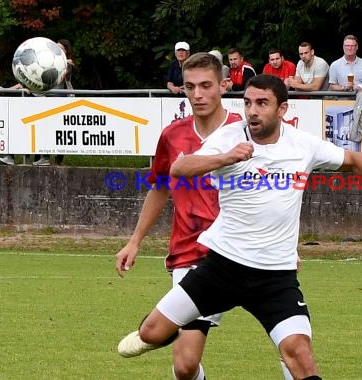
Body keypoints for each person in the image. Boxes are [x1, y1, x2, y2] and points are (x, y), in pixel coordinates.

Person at [117, 74, 362, 379]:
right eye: (247, 103)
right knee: (151, 333)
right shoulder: (229, 138)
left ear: (282, 109)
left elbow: (352, 157)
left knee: (299, 353)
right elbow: (180, 168)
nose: (253, 111)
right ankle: (158, 331)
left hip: (275, 277)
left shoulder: (302, 145)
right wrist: (225, 158)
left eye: (262, 103)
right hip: (221, 269)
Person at [116, 52, 243, 380]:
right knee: (185, 366)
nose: (198, 94)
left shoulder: (245, 131)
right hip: (190, 255)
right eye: (190, 87)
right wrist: (135, 241)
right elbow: (159, 188)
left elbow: (272, 193)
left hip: (243, 252)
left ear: (223, 86)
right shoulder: (172, 135)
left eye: (205, 86)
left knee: (291, 345)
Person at [33, 39, 75, 166]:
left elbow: (61, 77)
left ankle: (59, 158)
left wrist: (62, 62)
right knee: (45, 128)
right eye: (56, 48)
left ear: (66, 51)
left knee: (59, 130)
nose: (58, 50)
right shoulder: (48, 61)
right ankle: (44, 157)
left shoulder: (68, 63)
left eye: (61, 48)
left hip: (60, 100)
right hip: (46, 98)